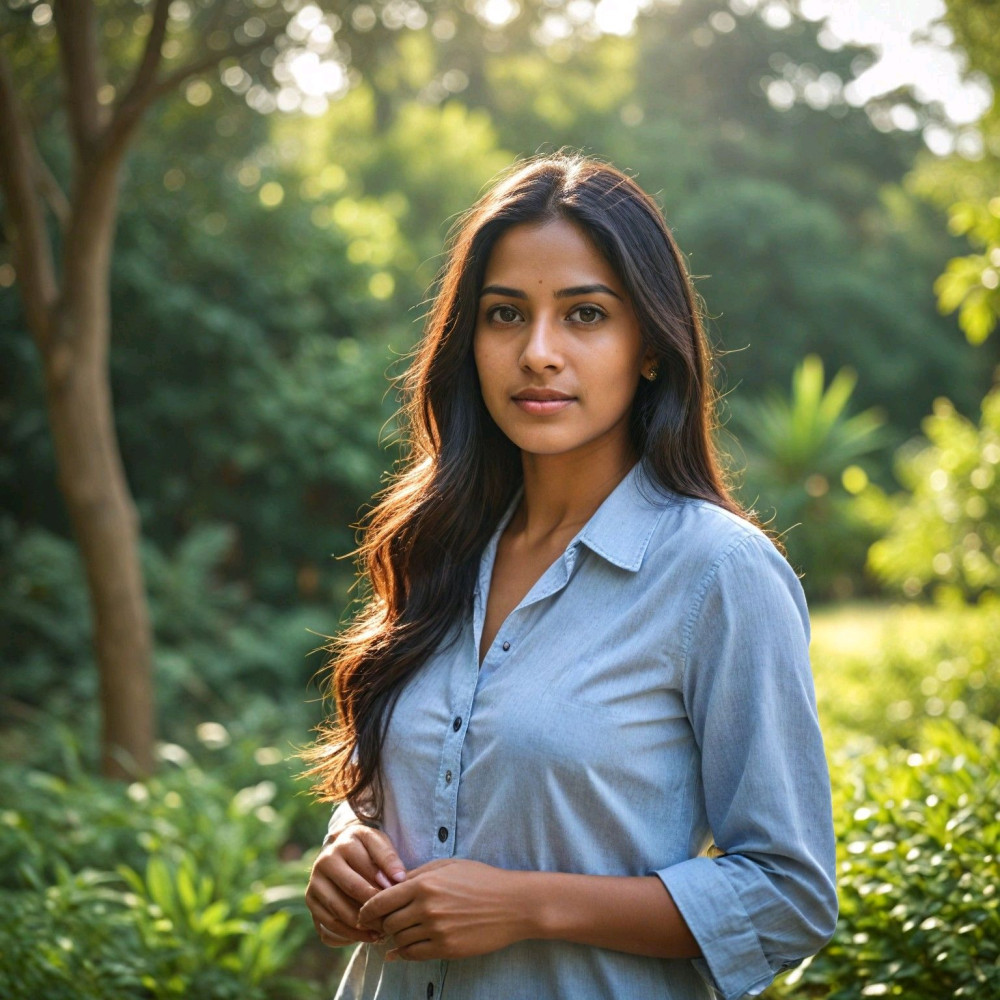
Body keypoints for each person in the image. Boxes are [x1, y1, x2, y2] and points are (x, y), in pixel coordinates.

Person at [303, 153, 838, 1000]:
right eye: (505, 314)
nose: (538, 353)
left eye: (585, 314)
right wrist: (344, 849)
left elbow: (790, 894)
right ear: (468, 343)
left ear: (651, 348)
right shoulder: (437, 547)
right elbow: (394, 797)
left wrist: (530, 907)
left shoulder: (718, 575)